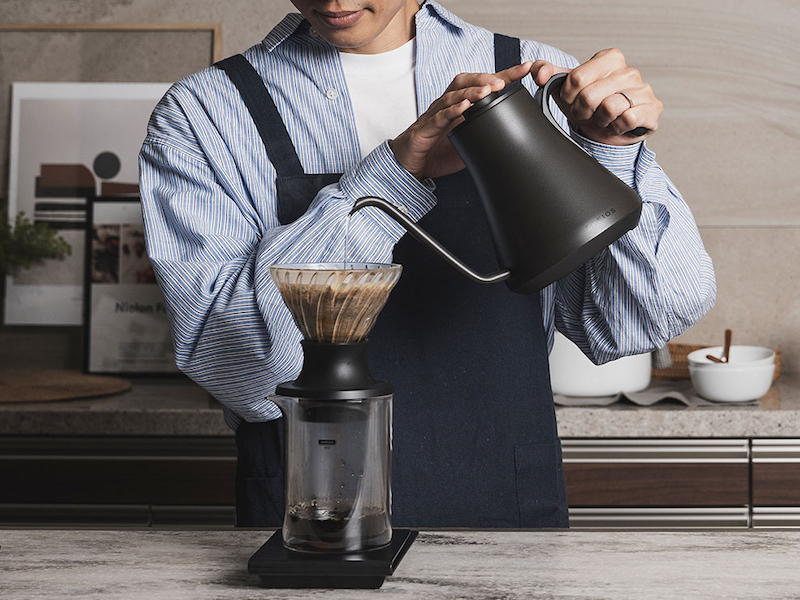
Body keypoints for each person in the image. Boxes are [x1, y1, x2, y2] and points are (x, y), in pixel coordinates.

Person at [139, 0, 715, 528]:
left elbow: (634, 324)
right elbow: (240, 367)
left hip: (503, 496)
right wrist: (393, 175)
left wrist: (610, 151)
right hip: (310, 510)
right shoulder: (205, 114)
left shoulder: (541, 81)